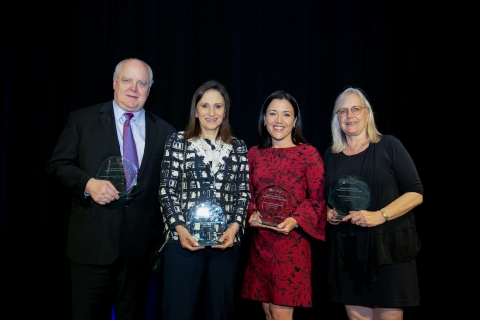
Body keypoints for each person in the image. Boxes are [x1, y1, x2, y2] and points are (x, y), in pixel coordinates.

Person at [46, 58, 176, 319]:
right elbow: (57, 165)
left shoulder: (165, 132)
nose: (134, 88)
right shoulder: (82, 120)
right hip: (91, 247)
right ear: (115, 83)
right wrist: (88, 184)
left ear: (149, 90)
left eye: (142, 83)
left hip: (139, 253)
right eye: (127, 80)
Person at [324, 87, 423, 320]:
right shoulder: (331, 155)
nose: (350, 115)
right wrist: (329, 211)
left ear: (368, 114)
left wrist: (379, 215)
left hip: (388, 251)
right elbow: (328, 196)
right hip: (348, 252)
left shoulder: (389, 145)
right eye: (343, 111)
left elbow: (416, 193)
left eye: (356, 109)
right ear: (337, 119)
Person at [159, 80, 251, 320]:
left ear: (225, 110)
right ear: (196, 109)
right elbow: (166, 191)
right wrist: (179, 229)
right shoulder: (178, 142)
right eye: (205, 106)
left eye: (218, 106)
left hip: (225, 245)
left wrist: (234, 228)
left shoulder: (239, 147)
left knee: (220, 313)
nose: (211, 113)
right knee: (178, 312)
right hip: (183, 243)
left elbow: (243, 193)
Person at [241, 90, 327, 320]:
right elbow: (245, 193)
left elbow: (318, 197)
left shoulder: (308, 154)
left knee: (280, 314)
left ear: (295, 120)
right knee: (268, 312)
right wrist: (251, 213)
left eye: (286, 114)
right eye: (273, 113)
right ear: (264, 118)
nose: (279, 120)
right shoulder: (254, 154)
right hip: (261, 245)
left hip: (291, 245)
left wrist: (296, 220)